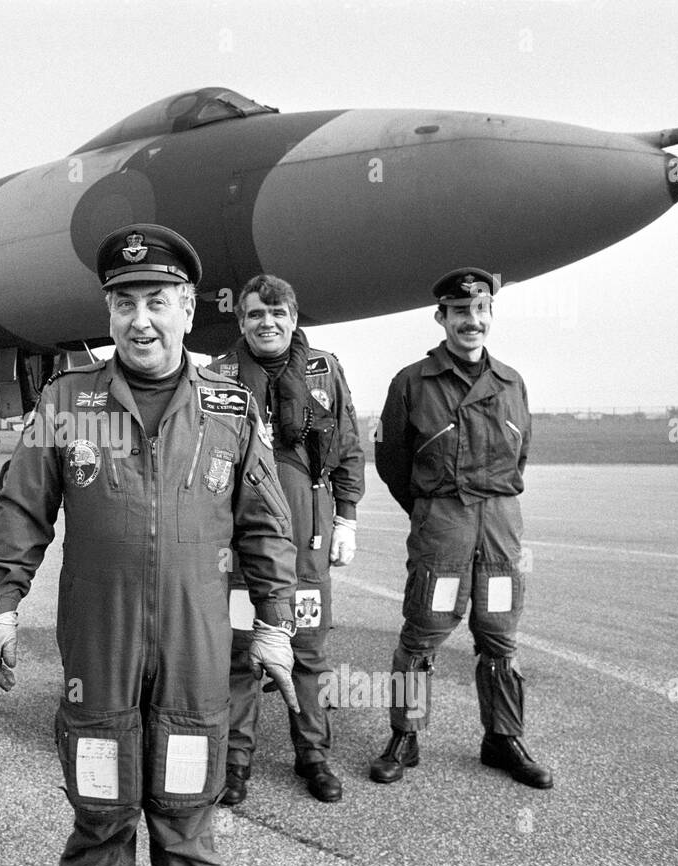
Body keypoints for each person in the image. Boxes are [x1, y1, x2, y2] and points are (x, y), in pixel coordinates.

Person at [0, 224, 300, 866]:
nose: (140, 321)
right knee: (101, 818)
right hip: (100, 646)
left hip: (195, 648)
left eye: (157, 301)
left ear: (187, 308)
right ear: (109, 312)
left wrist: (275, 623)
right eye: (125, 304)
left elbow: (265, 524)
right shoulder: (68, 400)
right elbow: (22, 511)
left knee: (185, 827)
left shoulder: (230, 406)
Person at [371, 267, 552, 789]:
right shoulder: (412, 381)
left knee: (500, 636)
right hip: (444, 525)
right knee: (423, 632)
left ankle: (502, 737)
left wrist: (492, 502)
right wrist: (430, 511)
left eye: (480, 311)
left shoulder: (512, 382)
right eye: (459, 312)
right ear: (441, 318)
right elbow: (392, 461)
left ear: (490, 315)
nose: (471, 321)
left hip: (498, 527)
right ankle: (405, 737)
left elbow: (520, 457)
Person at [209, 274, 364, 804]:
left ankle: (313, 756)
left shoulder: (325, 370)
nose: (266, 323)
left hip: (308, 538)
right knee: (240, 655)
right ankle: (234, 762)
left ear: (294, 319)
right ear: (241, 321)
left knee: (308, 653)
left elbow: (347, 446)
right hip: (239, 547)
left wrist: (347, 517)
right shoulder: (217, 377)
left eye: (277, 314)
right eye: (255, 314)